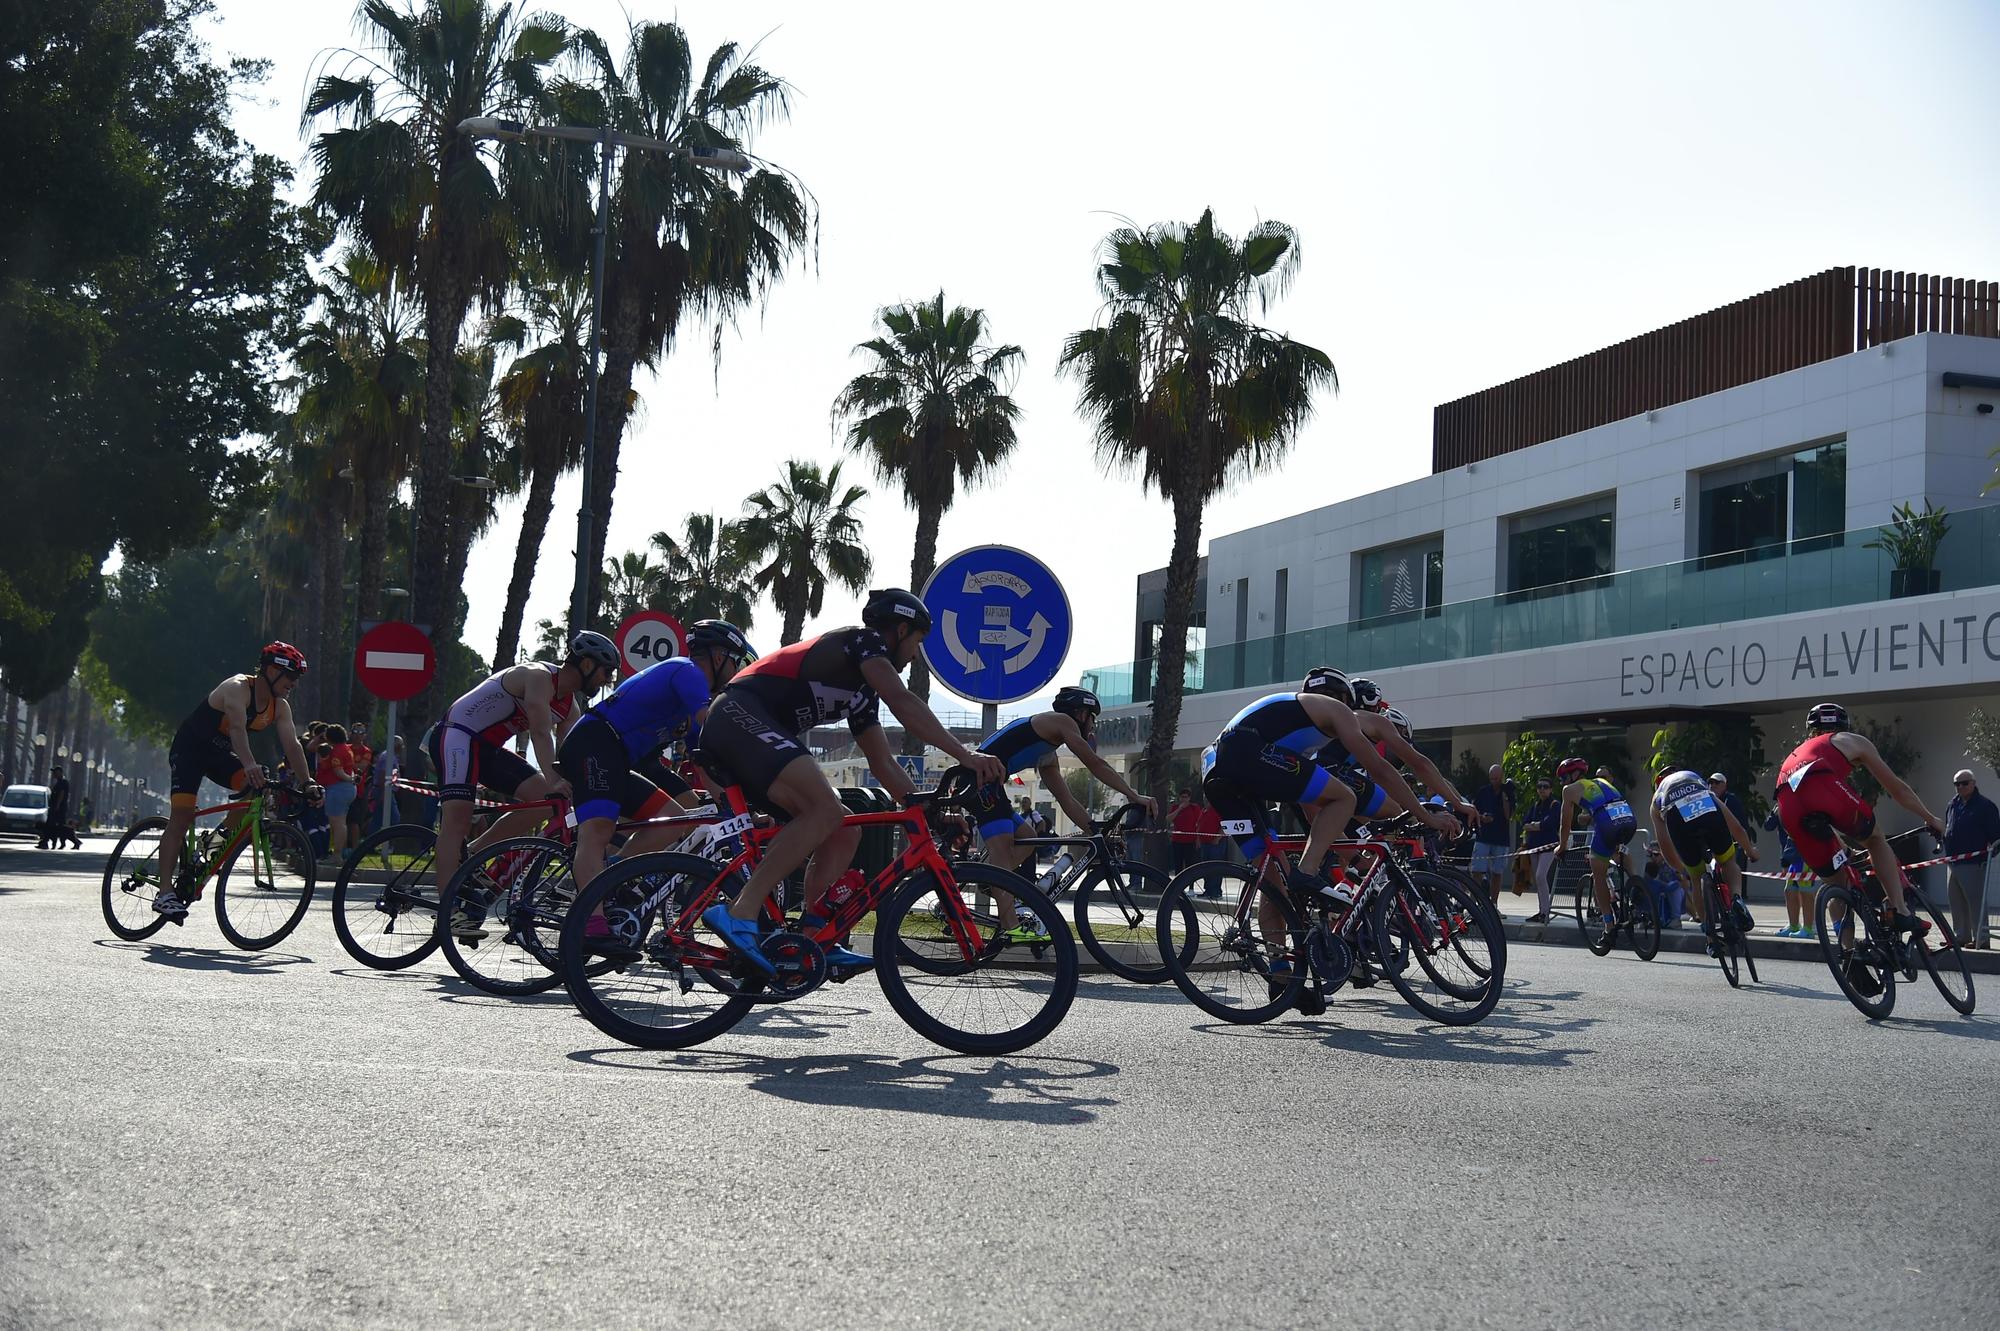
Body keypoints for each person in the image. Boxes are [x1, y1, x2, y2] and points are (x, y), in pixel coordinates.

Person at [697, 589, 1007, 976]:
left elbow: (881, 763)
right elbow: (903, 701)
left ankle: (814, 935)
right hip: (737, 713)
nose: (915, 655)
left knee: (843, 829)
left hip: (749, 731)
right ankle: (739, 911)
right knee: (825, 809)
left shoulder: (861, 694)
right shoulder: (864, 641)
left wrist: (926, 810)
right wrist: (967, 755)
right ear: (900, 629)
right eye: (917, 643)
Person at [1201, 667, 1461, 1012]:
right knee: (1343, 798)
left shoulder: (1300, 729)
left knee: (1272, 880)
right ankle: (1307, 872)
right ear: (1344, 699)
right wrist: (1426, 816)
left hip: (1217, 771)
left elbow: (1309, 800)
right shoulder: (1337, 712)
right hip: (1246, 753)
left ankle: (1281, 980)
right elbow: (1383, 770)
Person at [560, 620, 753, 906]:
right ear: (718, 656)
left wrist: (727, 799)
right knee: (598, 830)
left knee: (672, 821)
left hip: (616, 756)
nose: (736, 673)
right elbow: (714, 728)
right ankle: (591, 922)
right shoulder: (687, 672)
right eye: (736, 663)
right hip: (595, 741)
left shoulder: (689, 698)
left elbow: (703, 757)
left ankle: (610, 877)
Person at [435, 633, 619, 932]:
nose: (607, 680)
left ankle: (475, 855)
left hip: (489, 749)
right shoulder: (539, 677)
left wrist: (583, 785)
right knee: (458, 818)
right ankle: (448, 911)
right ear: (586, 664)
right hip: (458, 735)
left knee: (547, 801)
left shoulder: (569, 705)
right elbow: (540, 733)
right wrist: (554, 779)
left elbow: (571, 751)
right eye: (605, 672)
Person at [1773, 701, 1945, 995]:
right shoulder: (1850, 741)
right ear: (1844, 726)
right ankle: (1900, 910)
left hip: (1786, 805)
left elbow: (1813, 812)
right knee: (1876, 839)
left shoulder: (1795, 754)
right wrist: (1930, 818)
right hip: (1823, 787)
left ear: (1811, 730)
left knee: (1835, 881)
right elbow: (1897, 788)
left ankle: (1848, 953)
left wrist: (1843, 850)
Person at [961, 686, 1156, 941]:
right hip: (979, 781)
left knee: (1027, 837)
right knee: (1003, 852)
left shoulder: (1047, 752)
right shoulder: (1061, 722)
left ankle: (992, 881)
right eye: (1092, 718)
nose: (1093, 726)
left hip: (987, 783)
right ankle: (1010, 926)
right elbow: (1095, 763)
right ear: (1080, 713)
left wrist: (1093, 830)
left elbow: (1066, 800)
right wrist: (1134, 795)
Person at [153, 643, 320, 920]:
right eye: (290, 676)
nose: (294, 683)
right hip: (190, 751)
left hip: (220, 755)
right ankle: (165, 893)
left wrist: (307, 783)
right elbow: (237, 729)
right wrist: (250, 763)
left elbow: (292, 746)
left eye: (297, 678)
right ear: (271, 670)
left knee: (256, 794)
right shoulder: (237, 688)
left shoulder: (280, 707)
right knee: (182, 816)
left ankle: (209, 847)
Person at [1650, 764, 1759, 956]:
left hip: (1675, 816)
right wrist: (1750, 850)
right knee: (1728, 862)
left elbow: (1664, 842)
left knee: (1697, 877)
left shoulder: (1657, 797)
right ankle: (1736, 899)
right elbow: (1735, 825)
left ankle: (1710, 937)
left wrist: (1680, 868)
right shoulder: (1696, 779)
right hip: (1706, 806)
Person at [1555, 756, 1638, 946]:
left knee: (1597, 873)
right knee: (1618, 852)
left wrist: (1562, 846)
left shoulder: (1569, 790)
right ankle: (1636, 886)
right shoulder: (1601, 782)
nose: (1562, 782)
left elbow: (1565, 824)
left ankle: (1609, 926)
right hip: (1628, 818)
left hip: (1607, 823)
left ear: (1573, 775)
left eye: (1562, 778)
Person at [1942, 769, 1999, 948]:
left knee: (1975, 901)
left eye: (1964, 783)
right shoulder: (1953, 804)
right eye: (1957, 784)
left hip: (1974, 862)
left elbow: (1996, 837)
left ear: (1973, 783)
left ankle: (1981, 939)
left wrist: (1988, 855)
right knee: (1955, 900)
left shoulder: (1985, 806)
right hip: (1952, 860)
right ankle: (1961, 936)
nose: (1960, 787)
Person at [1470, 765, 1516, 911]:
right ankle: (1473, 902)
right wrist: (1482, 818)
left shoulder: (1508, 792)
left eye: (1497, 778)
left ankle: (1494, 904)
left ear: (1501, 777)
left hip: (1501, 837)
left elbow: (1509, 816)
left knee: (1497, 872)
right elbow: (1474, 809)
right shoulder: (1483, 792)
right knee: (1477, 870)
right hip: (1484, 836)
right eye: (1492, 778)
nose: (1494, 781)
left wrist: (1505, 799)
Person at [1762, 808, 1813, 937]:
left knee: (1805, 891)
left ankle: (1808, 929)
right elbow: (1769, 826)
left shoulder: (1800, 805)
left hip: (1805, 852)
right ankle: (1794, 925)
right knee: (1789, 889)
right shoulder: (1781, 806)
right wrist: (1775, 813)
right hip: (1791, 854)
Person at [1520, 777, 1563, 923]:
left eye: (1545, 786)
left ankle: (1545, 912)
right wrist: (1536, 825)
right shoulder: (1536, 805)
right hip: (1534, 847)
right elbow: (1524, 823)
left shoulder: (1555, 804)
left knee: (1540, 876)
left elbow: (1549, 824)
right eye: (1540, 786)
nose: (1542, 789)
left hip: (1549, 847)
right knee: (1538, 880)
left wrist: (1535, 826)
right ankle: (1541, 911)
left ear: (1551, 789)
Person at [316, 723, 358, 869]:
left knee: (337, 823)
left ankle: (337, 855)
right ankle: (337, 854)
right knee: (340, 823)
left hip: (338, 789)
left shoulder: (337, 752)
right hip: (345, 790)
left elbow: (339, 772)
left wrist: (350, 779)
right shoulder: (346, 748)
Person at [38, 763, 71, 850]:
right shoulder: (58, 783)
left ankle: (61, 842)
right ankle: (46, 842)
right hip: (55, 808)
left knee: (59, 827)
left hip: (59, 809)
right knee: (51, 826)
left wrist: (57, 806)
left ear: (60, 772)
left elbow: (61, 794)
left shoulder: (63, 782)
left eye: (55, 772)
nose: (54, 774)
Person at [1168, 788, 1199, 874]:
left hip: (1190, 840)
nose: (1183, 799)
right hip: (1177, 840)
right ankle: (1179, 884)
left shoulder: (1194, 808)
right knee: (1178, 864)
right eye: (1182, 797)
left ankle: (1191, 885)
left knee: (1190, 864)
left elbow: (1199, 823)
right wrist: (1179, 809)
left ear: (1189, 798)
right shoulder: (1175, 807)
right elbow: (1169, 819)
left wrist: (1197, 839)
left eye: (1185, 797)